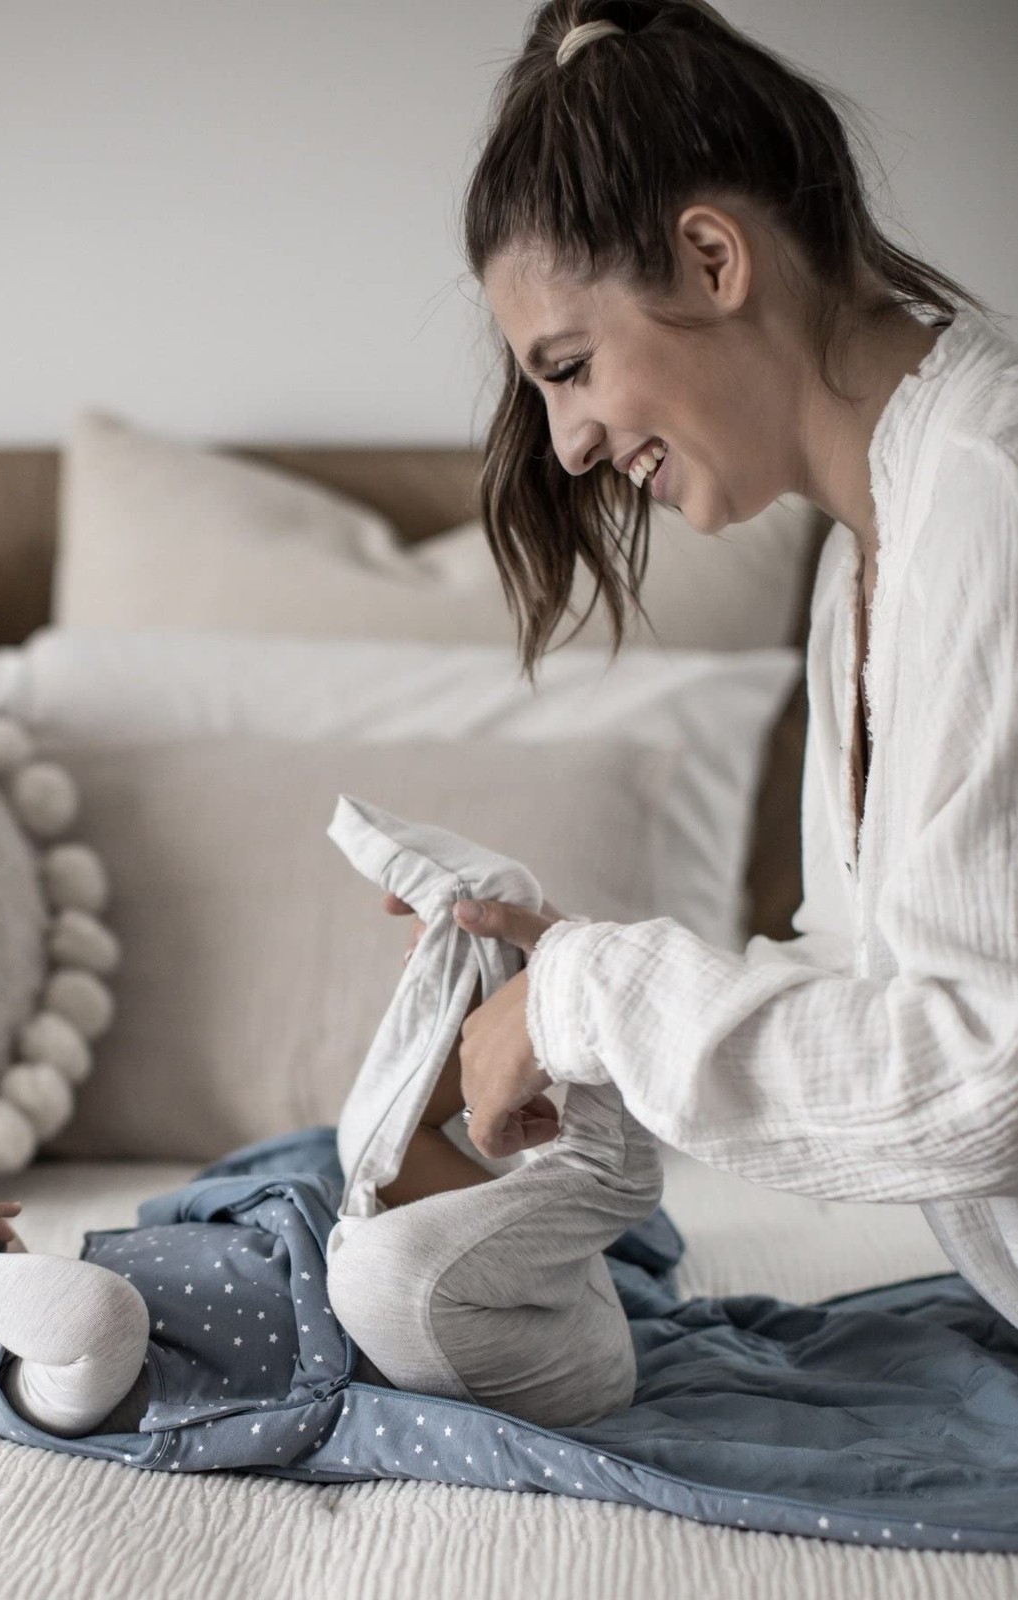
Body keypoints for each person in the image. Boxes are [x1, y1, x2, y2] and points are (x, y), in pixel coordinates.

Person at [396, 0, 1018, 1330]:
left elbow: (991, 1084)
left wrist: (594, 999)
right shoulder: (868, 551)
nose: (565, 443)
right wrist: (581, 974)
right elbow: (872, 986)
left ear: (709, 256)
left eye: (569, 366)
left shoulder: (992, 495)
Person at [0, 800, 663, 1436]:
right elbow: (94, 1321)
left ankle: (482, 946)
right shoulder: (32, 1393)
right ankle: (605, 1157)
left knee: (371, 1146)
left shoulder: (98, 1255)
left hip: (501, 1307)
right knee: (375, 1274)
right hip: (524, 1378)